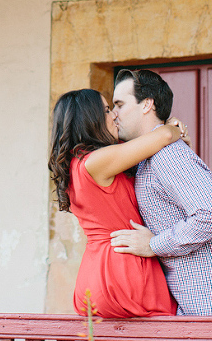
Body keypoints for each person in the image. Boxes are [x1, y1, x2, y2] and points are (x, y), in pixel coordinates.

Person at [108, 68, 212, 318]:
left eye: (119, 104)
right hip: (206, 311)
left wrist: (153, 244)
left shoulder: (167, 155)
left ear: (147, 104)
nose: (113, 115)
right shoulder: (147, 156)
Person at [48, 88, 186, 319]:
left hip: (96, 273)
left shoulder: (77, 164)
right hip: (123, 269)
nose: (113, 115)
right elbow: (163, 136)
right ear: (88, 118)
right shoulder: (97, 161)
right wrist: (174, 128)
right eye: (106, 110)